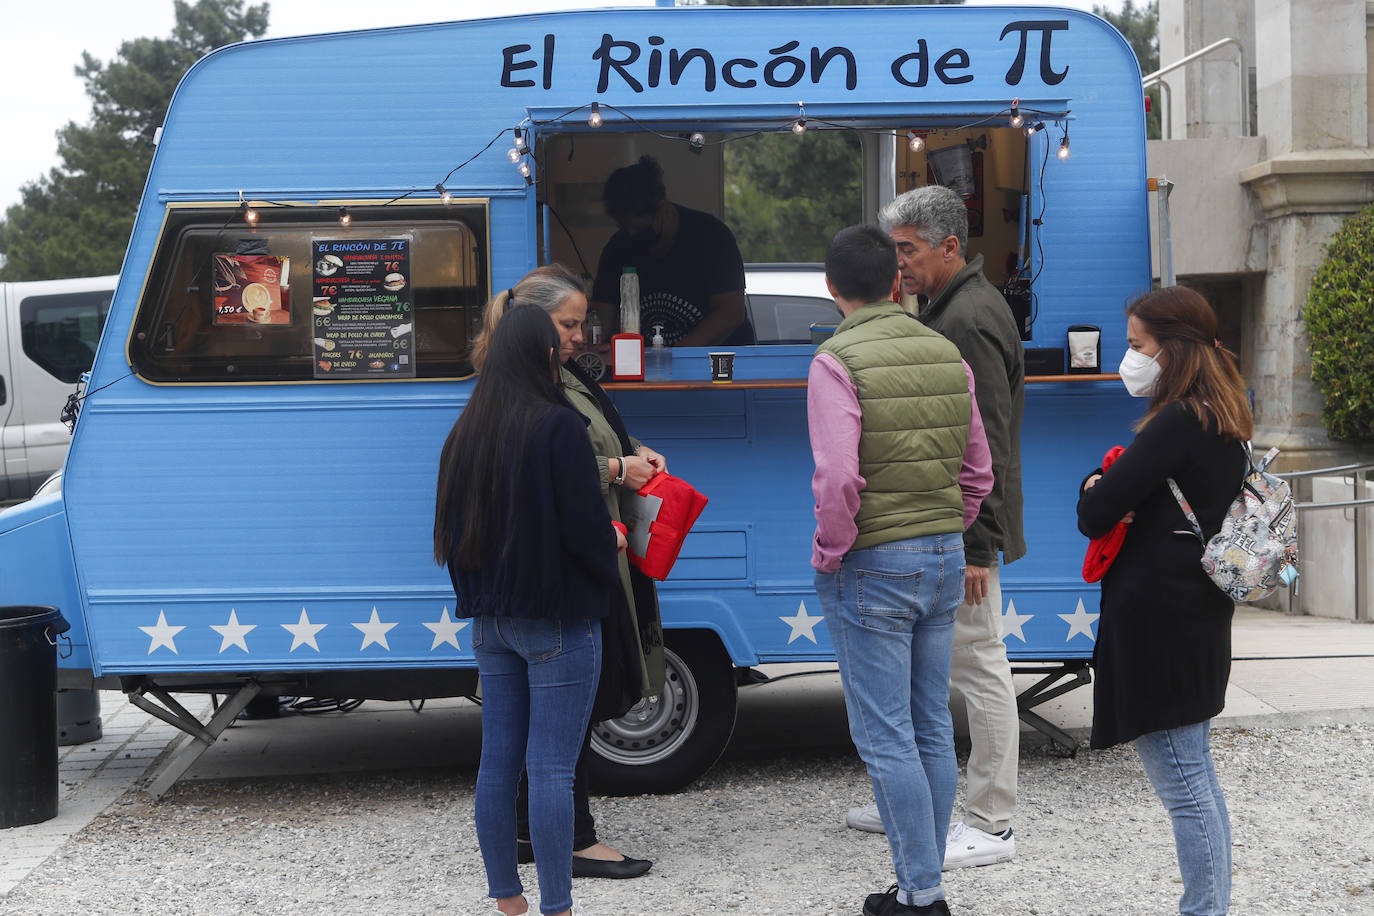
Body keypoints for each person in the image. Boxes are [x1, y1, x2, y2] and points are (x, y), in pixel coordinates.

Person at [809, 224, 992, 916]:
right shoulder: (947, 353)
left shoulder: (834, 359)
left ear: (831, 289)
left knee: (885, 736)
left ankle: (921, 894)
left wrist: (833, 549)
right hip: (944, 553)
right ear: (896, 280)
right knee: (930, 728)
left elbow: (837, 477)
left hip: (872, 562)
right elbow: (979, 469)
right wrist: (953, 521)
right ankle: (922, 883)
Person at [845, 185, 1026, 873]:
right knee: (950, 670)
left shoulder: (967, 320)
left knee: (980, 667)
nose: (900, 266)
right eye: (895, 252)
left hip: (964, 534)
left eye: (909, 251)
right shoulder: (957, 309)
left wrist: (978, 544)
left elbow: (989, 444)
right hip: (954, 529)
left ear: (950, 246)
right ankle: (920, 802)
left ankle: (992, 820)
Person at [472, 265, 666, 880]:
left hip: (506, 597)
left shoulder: (509, 390)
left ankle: (515, 868)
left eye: (582, 322)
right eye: (569, 324)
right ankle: (568, 853)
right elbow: (549, 469)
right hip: (568, 577)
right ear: (535, 328)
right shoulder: (542, 393)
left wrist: (627, 456)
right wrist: (615, 475)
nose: (581, 335)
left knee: (507, 752)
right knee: (561, 738)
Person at [434, 304, 624, 916]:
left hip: (490, 622)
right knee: (551, 772)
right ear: (543, 358)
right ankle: (558, 907)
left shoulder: (464, 433)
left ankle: (507, 899)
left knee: (499, 765)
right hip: (559, 618)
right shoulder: (557, 427)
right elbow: (585, 529)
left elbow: (449, 533)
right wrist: (613, 540)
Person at [1077, 287, 1250, 916]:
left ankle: (1205, 910)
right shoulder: (1223, 416)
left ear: (1171, 350)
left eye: (1136, 345)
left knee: (1185, 785)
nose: (1130, 359)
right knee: (1194, 776)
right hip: (1196, 616)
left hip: (1162, 625)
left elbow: (1096, 510)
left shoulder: (1178, 420)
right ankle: (1211, 904)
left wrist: (1099, 485)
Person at [589, 155, 752, 347]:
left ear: (664, 210)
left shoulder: (711, 237)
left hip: (716, 363)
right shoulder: (618, 247)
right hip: (651, 363)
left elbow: (731, 313)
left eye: (641, 230)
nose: (632, 235)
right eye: (624, 227)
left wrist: (674, 357)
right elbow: (602, 319)